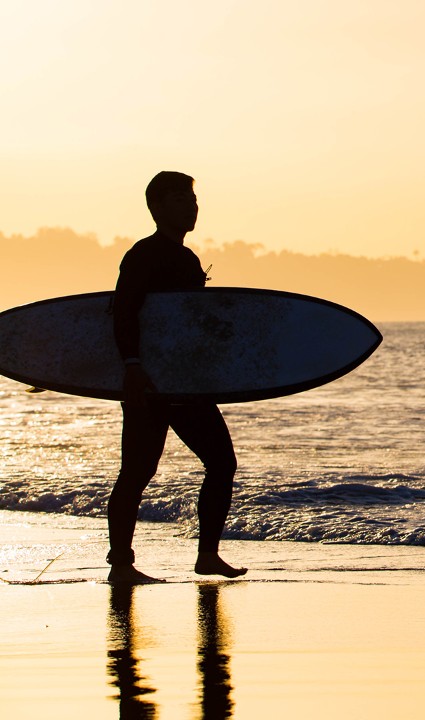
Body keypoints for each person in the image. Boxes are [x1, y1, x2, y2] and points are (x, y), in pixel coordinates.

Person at [106, 171, 245, 584]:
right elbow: (125, 310)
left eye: (193, 199)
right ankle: (121, 565)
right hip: (149, 384)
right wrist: (132, 365)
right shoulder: (143, 255)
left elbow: (190, 323)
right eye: (181, 199)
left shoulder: (187, 260)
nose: (192, 206)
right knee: (136, 472)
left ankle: (207, 555)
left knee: (222, 462)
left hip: (185, 384)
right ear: (158, 207)